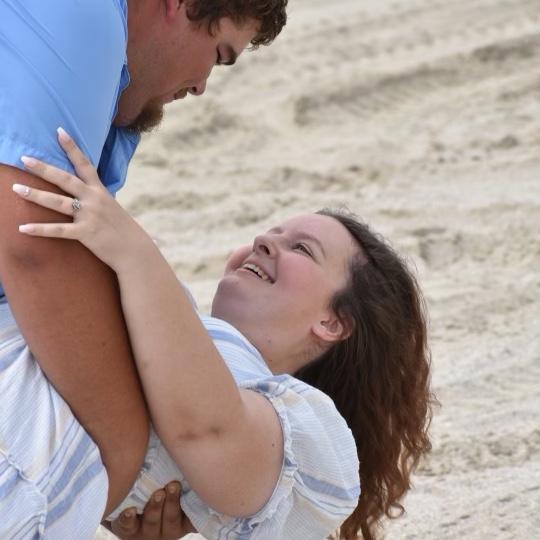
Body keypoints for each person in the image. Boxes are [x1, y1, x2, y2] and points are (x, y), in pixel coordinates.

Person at [5, 133, 435, 539]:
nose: (263, 241)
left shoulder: (305, 438)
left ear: (333, 322)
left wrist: (134, 252)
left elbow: (205, 428)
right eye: (272, 233)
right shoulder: (165, 311)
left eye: (302, 249)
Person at [0, 0, 288, 516]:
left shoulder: (112, 88)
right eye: (219, 54)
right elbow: (35, 242)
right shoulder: (85, 16)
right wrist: (121, 455)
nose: (201, 86)